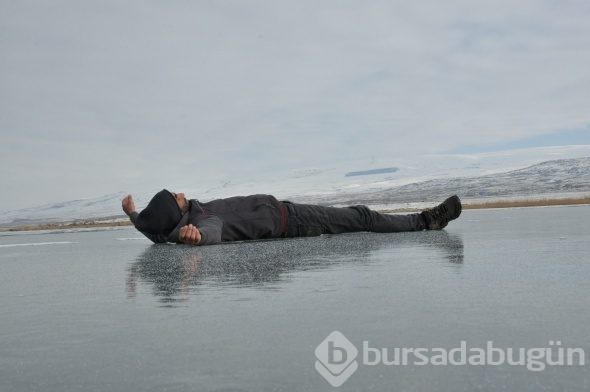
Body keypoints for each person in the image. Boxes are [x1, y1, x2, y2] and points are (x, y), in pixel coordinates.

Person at [121, 190, 462, 245]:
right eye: (176, 196)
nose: (181, 192)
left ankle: (421, 220)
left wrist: (134, 215)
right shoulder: (202, 220)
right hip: (293, 220)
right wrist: (195, 238)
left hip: (289, 213)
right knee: (363, 216)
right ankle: (425, 220)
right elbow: (211, 233)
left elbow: (153, 228)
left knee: (358, 217)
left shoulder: (167, 227)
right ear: (176, 211)